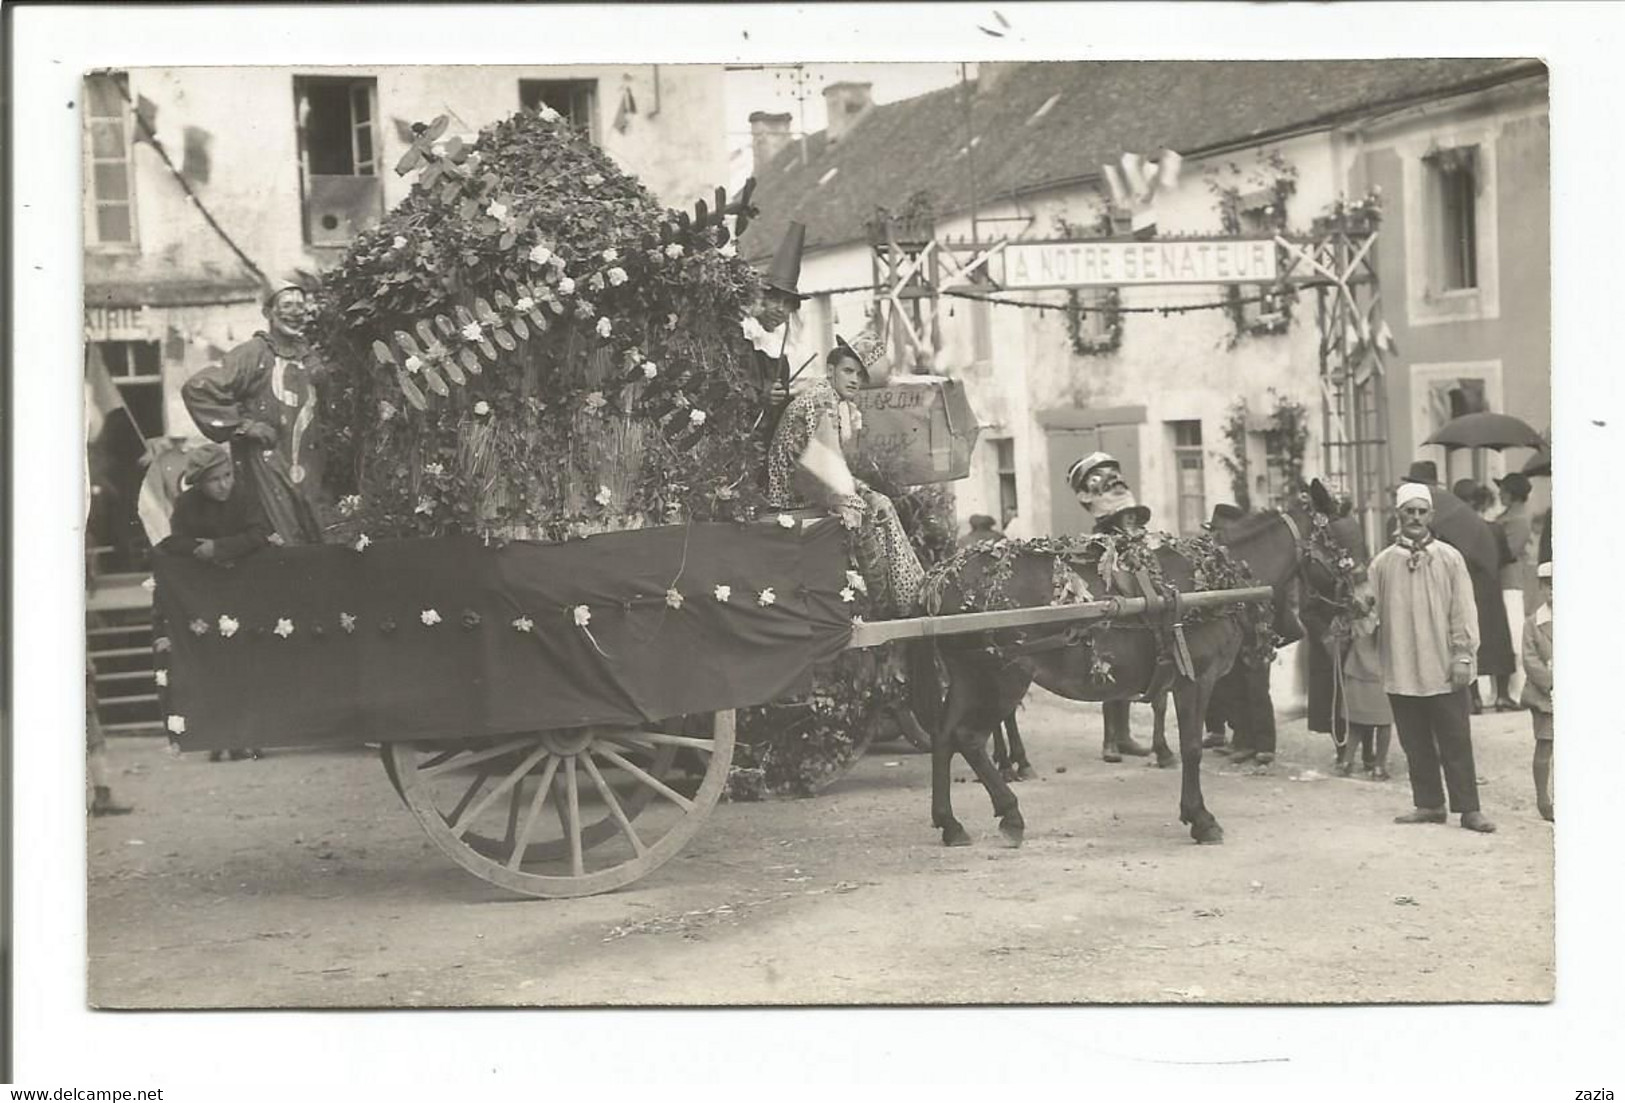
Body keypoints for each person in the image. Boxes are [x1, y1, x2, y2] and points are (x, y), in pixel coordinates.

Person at [1364, 483, 1495, 833]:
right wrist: (1355, 612)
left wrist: (1463, 656)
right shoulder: (1382, 564)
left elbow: (1463, 610)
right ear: (1399, 515)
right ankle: (1429, 803)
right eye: (1410, 511)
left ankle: (1468, 809)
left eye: (1422, 512)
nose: (1416, 518)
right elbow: (1368, 614)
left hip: (1443, 664)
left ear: (1431, 517)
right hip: (1403, 665)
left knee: (1455, 738)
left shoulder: (1449, 558)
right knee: (1414, 741)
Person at [766, 330, 925, 617]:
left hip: (807, 483)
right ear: (830, 371)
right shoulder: (821, 399)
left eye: (860, 375)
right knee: (867, 510)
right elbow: (822, 462)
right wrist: (848, 498)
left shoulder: (833, 400)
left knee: (881, 503)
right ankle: (885, 604)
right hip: (792, 492)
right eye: (848, 371)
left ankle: (909, 590)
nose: (855, 380)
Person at [182, 283, 326, 546]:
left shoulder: (309, 355)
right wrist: (245, 426)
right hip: (268, 465)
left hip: (309, 465)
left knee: (317, 536)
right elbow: (198, 388)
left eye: (300, 306)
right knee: (282, 537)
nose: (295, 312)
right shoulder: (253, 353)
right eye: (287, 306)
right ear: (268, 312)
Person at [1401, 461, 1515, 714]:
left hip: (1462, 591)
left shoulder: (1444, 531)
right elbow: (1505, 560)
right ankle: (1502, 695)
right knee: (1496, 638)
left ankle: (1472, 697)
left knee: (1465, 636)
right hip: (1490, 591)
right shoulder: (1491, 529)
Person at [1067, 452, 1154, 762]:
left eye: (1133, 516)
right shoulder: (1099, 543)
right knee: (1110, 671)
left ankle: (1126, 735)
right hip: (1109, 616)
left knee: (1130, 674)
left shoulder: (1140, 542)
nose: (1130, 521)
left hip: (1136, 614)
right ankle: (1110, 741)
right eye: (1125, 516)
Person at [157, 443, 279, 565]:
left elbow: (259, 534)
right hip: (204, 570)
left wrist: (219, 548)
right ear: (199, 483)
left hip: (244, 566)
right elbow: (176, 540)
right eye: (214, 479)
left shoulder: (244, 496)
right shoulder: (186, 502)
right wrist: (200, 548)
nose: (224, 485)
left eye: (227, 475)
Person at [1495, 471, 1538, 708]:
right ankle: (1509, 691)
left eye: (1503, 490)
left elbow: (1508, 552)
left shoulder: (1519, 520)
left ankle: (1518, 690)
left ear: (1512, 494)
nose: (1500, 494)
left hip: (1511, 581)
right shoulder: (1508, 516)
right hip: (1502, 580)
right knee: (1507, 634)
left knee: (1514, 636)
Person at [1522, 560, 1554, 822]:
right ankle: (1543, 797)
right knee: (1545, 744)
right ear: (1541, 588)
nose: (1554, 591)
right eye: (1548, 586)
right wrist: (1551, 682)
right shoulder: (1534, 623)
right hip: (1546, 695)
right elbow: (1530, 659)